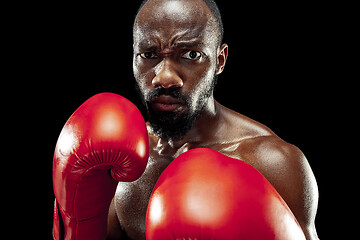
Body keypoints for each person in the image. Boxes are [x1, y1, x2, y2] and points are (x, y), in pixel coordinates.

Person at [52, 0, 319, 239]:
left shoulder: (273, 163)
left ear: (220, 60)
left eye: (190, 55)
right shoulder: (116, 158)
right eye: (149, 55)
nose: (165, 77)